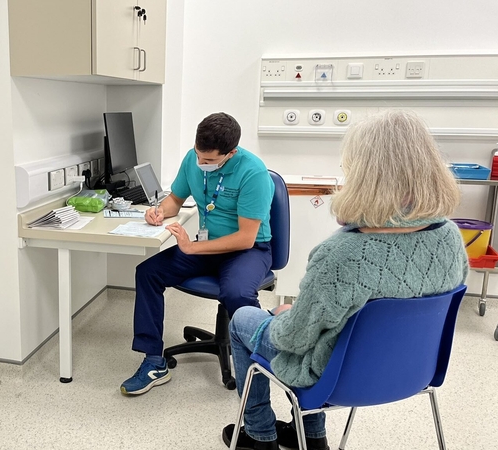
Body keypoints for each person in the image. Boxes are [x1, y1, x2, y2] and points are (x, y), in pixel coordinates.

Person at [222, 110, 469, 450]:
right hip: (413, 372)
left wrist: (283, 318)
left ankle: (259, 434)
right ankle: (310, 436)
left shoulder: (342, 254)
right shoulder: (451, 237)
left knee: (241, 319)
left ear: (364, 175)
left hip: (335, 378)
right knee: (332, 328)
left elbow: (296, 338)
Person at [121, 112, 275, 395]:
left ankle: (257, 368)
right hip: (207, 246)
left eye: (210, 160)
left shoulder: (254, 173)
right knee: (148, 272)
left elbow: (245, 238)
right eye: (198, 155)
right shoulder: (192, 160)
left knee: (237, 294)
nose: (202, 164)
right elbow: (175, 200)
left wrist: (192, 248)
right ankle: (154, 360)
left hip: (249, 250)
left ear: (231, 153)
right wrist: (157, 213)